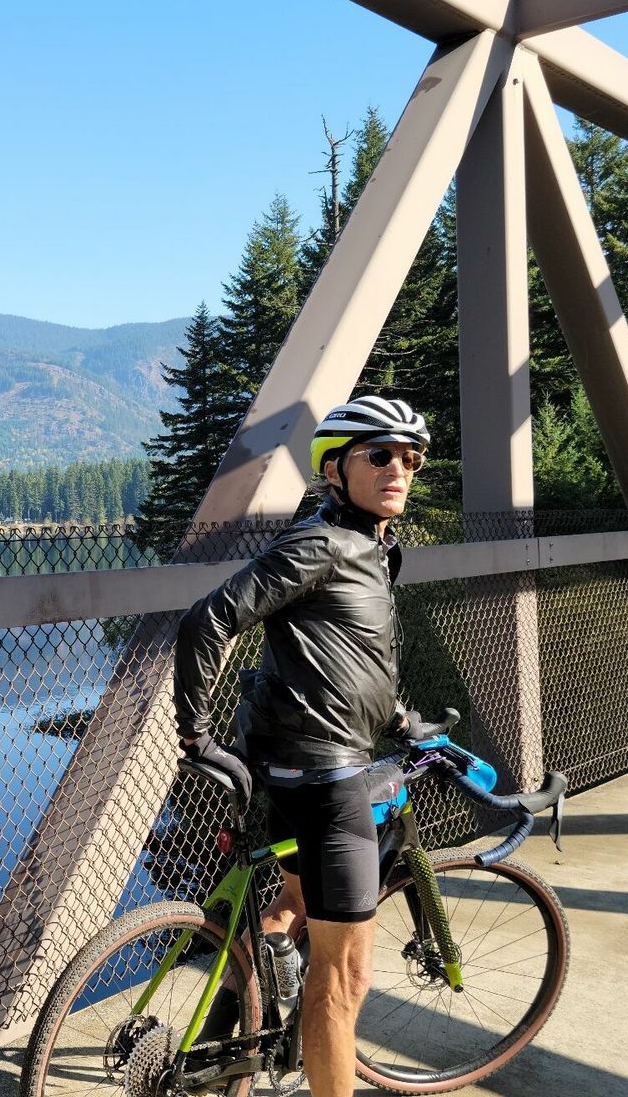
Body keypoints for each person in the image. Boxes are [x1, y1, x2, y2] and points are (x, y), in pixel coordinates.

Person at [172, 394, 446, 1097]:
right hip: (328, 777)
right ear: (334, 470)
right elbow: (206, 621)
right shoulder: (324, 543)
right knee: (344, 979)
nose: (398, 469)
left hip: (291, 762)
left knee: (291, 904)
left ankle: (221, 1040)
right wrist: (195, 735)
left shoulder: (368, 547)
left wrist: (400, 719)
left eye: (410, 459)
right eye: (379, 455)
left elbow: (347, 655)